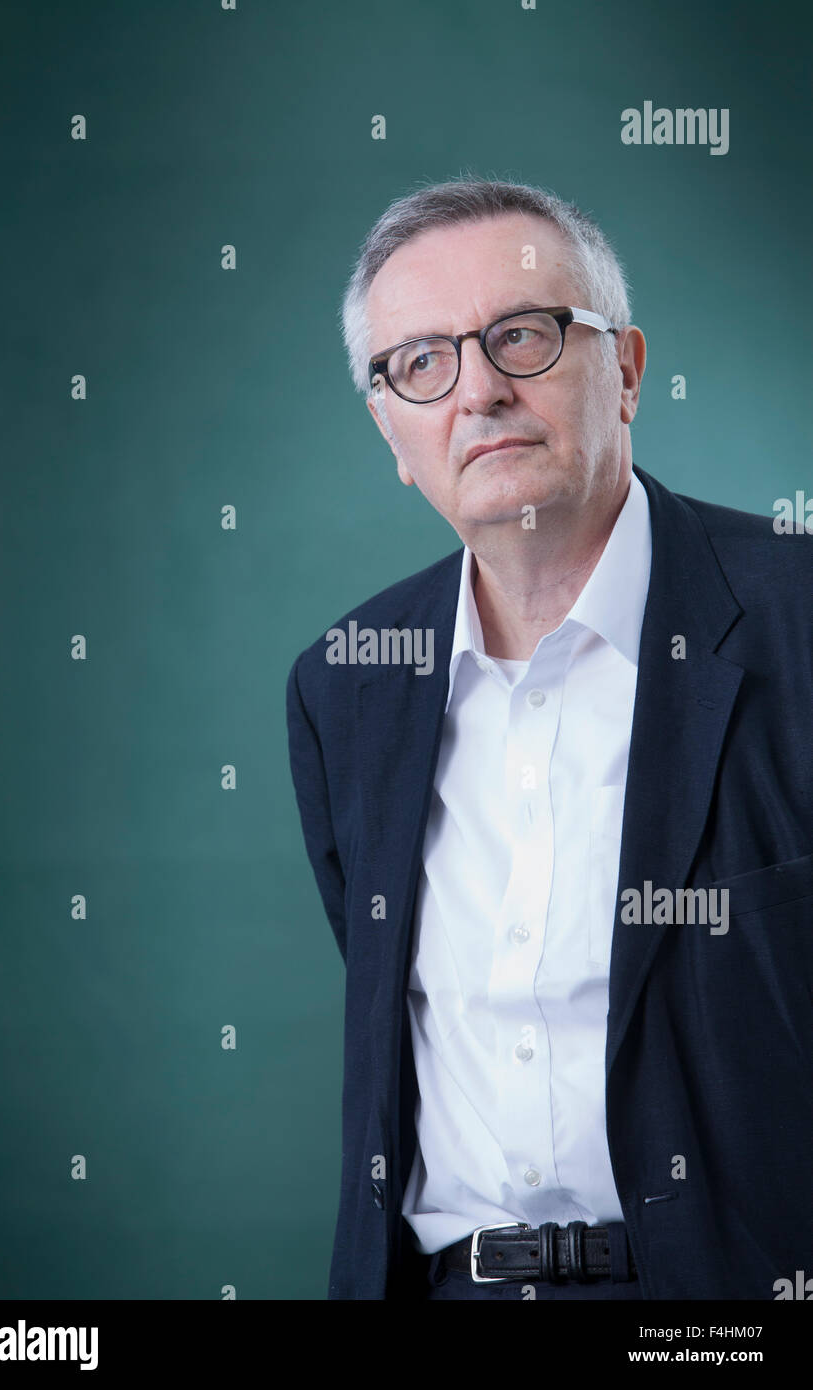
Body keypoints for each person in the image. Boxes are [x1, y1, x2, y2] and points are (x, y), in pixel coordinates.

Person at [285, 177, 813, 1300]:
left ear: (622, 370)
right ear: (392, 429)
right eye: (420, 363)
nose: (475, 391)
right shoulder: (344, 688)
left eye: (519, 337)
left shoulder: (797, 620)